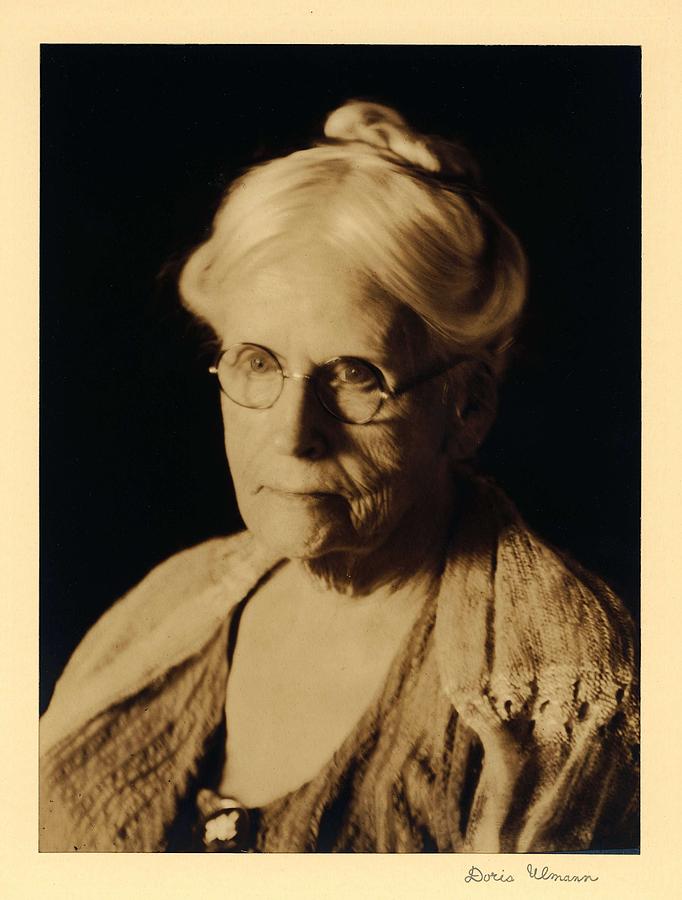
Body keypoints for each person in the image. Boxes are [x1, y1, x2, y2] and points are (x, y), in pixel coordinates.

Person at [39, 100, 639, 853]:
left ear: (468, 409)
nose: (294, 435)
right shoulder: (166, 608)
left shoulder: (567, 688)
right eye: (257, 364)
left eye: (356, 376)